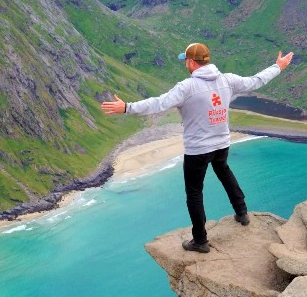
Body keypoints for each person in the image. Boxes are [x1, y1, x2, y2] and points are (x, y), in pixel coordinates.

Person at [100, 43, 294, 253]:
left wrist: (127, 108)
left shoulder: (187, 87)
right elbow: (256, 81)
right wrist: (278, 67)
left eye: (185, 59)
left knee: (194, 193)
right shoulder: (227, 80)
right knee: (224, 171)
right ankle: (242, 212)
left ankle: (200, 241)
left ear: (191, 62)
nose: (185, 63)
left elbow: (158, 103)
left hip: (198, 149)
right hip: (221, 143)